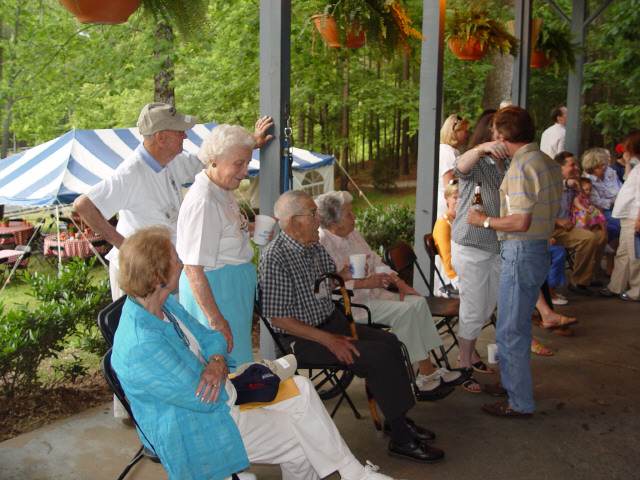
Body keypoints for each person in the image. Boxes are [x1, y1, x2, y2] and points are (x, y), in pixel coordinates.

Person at [111, 226, 399, 480]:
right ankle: (354, 473)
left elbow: (211, 337)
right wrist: (231, 374)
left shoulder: (164, 305)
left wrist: (216, 361)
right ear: (158, 276)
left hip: (225, 393)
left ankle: (353, 473)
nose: (182, 263)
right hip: (201, 424)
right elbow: (203, 399)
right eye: (176, 259)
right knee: (305, 438)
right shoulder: (141, 344)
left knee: (301, 388)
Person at [74, 102, 272, 422]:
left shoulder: (173, 162)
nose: (185, 137)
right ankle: (135, 413)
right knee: (140, 344)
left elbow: (213, 158)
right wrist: (126, 246)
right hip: (138, 274)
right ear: (162, 137)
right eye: (180, 132)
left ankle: (172, 404)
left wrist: (252, 141)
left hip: (167, 270)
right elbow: (83, 205)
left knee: (171, 341)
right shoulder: (131, 172)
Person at [258, 190, 445, 464]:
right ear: (291, 222)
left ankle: (397, 420)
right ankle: (402, 439)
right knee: (377, 356)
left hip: (331, 322)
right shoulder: (275, 257)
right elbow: (279, 319)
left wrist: (341, 276)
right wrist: (329, 340)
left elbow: (327, 282)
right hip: (302, 339)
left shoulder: (314, 247)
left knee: (392, 343)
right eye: (312, 214)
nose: (318, 219)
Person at [468, 106, 564, 417]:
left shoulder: (522, 166)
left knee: (510, 330)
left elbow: (520, 221)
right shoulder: (546, 161)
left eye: (496, 131)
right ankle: (512, 384)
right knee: (517, 325)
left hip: (521, 250)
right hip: (537, 250)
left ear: (502, 135)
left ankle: (519, 402)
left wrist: (484, 221)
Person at [316, 190, 462, 393]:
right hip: (352, 305)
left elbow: (376, 261)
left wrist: (399, 282)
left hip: (374, 295)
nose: (355, 216)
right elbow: (325, 286)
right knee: (405, 312)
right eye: (349, 214)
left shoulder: (351, 233)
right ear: (333, 223)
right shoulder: (321, 244)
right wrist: (364, 283)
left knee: (417, 302)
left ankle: (427, 369)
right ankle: (411, 376)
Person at [177, 124, 261, 368]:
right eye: (239, 163)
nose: (245, 171)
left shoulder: (222, 189)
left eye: (247, 163)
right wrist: (215, 319)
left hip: (230, 290)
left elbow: (220, 234)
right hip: (217, 292)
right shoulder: (203, 202)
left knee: (236, 359)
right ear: (214, 161)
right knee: (227, 362)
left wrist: (246, 229)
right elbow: (192, 268)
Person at [450, 112, 510, 393]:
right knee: (474, 308)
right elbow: (459, 167)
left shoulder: (509, 162)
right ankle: (463, 364)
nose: (502, 137)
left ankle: (471, 353)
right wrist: (481, 148)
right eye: (498, 131)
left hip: (497, 243)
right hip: (471, 243)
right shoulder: (477, 160)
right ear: (488, 133)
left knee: (487, 306)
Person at [551, 152, 607, 296]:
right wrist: (558, 220)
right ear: (560, 167)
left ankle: (588, 276)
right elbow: (538, 210)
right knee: (588, 238)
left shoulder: (576, 184)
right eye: (572, 165)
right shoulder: (551, 183)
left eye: (576, 164)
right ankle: (578, 282)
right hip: (554, 228)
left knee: (600, 236)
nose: (576, 167)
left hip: (572, 224)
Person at [601, 131, 640, 301]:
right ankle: (616, 286)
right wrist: (628, 162)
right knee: (623, 252)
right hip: (627, 216)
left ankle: (636, 290)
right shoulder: (637, 166)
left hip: (634, 216)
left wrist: (639, 219)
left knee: (635, 255)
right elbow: (628, 178)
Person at [582, 147, 622, 275]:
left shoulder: (610, 172)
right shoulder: (588, 180)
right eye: (601, 165)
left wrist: (620, 200)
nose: (605, 167)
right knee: (619, 225)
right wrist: (613, 202)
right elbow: (596, 202)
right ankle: (611, 263)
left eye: (605, 164)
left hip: (619, 205)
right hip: (603, 210)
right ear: (594, 167)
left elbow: (621, 188)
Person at [437, 114, 470, 219]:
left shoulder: (447, 150)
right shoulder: (448, 153)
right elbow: (450, 186)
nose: (467, 134)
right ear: (455, 131)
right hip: (446, 207)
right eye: (465, 131)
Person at [432, 180, 459, 291]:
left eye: (462, 197)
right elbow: (449, 262)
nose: (459, 201)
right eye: (455, 198)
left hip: (464, 270)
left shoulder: (458, 220)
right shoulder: (443, 224)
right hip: (453, 277)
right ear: (446, 198)